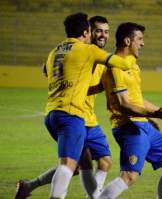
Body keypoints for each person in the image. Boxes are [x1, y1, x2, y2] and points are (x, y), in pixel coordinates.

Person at [14, 15, 114, 199]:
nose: (103, 35)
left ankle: (28, 186)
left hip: (88, 119)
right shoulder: (80, 53)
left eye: (107, 32)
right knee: (73, 165)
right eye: (98, 31)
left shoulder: (99, 59)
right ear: (88, 32)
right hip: (74, 116)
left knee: (103, 162)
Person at [42, 12, 133, 199]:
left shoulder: (54, 52)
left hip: (51, 114)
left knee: (87, 164)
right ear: (86, 32)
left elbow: (46, 70)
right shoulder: (88, 50)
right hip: (71, 114)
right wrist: (130, 52)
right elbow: (122, 63)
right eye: (94, 30)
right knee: (68, 164)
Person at [96, 22, 162, 199]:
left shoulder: (133, 66)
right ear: (128, 41)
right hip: (128, 127)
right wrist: (153, 114)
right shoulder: (115, 69)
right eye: (140, 39)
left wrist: (160, 110)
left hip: (144, 125)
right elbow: (123, 105)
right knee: (129, 176)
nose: (143, 44)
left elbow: (137, 99)